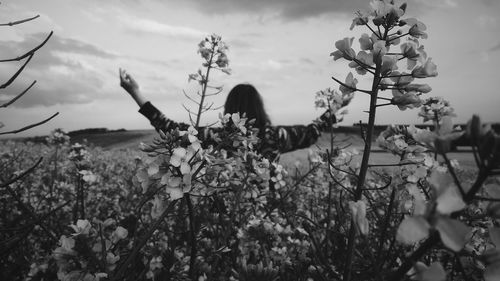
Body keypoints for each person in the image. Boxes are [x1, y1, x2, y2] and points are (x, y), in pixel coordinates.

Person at [119, 68, 335, 161]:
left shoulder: (217, 138)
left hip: (225, 223)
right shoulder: (275, 136)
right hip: (266, 222)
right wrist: (335, 107)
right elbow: (312, 132)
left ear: (228, 110)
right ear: (260, 108)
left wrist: (134, 92)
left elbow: (170, 128)